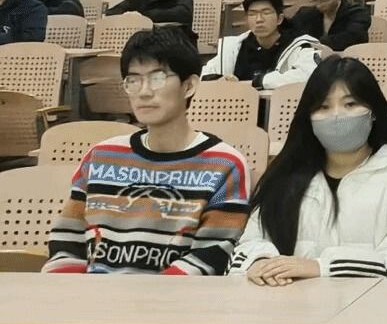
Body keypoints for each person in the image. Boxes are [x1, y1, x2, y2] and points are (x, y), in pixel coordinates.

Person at [43, 29, 249, 274]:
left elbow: (210, 256)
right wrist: (69, 293)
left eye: (157, 78)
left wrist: (143, 298)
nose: (144, 92)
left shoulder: (224, 164)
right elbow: (67, 242)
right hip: (91, 294)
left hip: (176, 296)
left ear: (189, 86)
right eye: (133, 80)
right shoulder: (101, 156)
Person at [231, 57, 387, 282]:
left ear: (373, 111)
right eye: (323, 107)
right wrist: (259, 263)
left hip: (373, 302)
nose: (336, 116)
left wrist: (323, 267)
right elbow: (247, 244)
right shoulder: (284, 175)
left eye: (350, 104)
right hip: (288, 300)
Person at [202, 0, 320, 88]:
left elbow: (308, 74)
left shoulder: (299, 45)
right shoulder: (233, 47)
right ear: (246, 19)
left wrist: (259, 82)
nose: (259, 19)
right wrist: (219, 80)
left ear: (279, 19)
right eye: (252, 14)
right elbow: (204, 75)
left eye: (266, 13)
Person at [289, 0, 372, 51]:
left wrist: (312, 43)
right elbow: (290, 35)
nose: (319, 5)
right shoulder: (305, 14)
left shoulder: (358, 13)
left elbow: (353, 37)